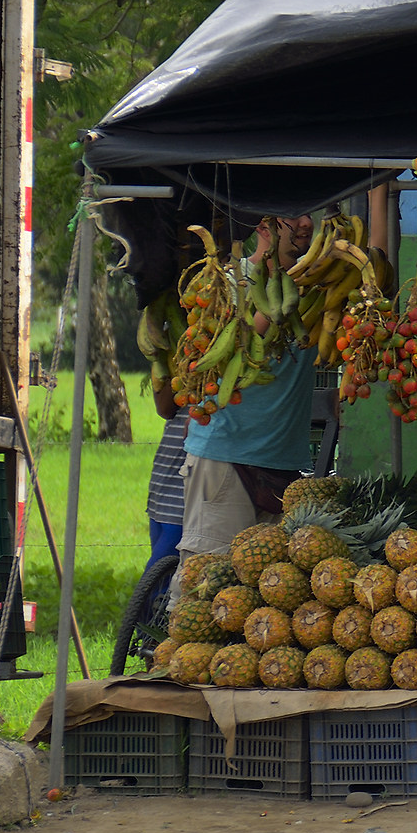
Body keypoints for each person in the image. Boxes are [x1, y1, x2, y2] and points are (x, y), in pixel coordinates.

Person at [175, 215, 321, 600]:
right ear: (263, 225)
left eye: (311, 213)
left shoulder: (320, 286)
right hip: (224, 460)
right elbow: (220, 352)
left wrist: (380, 189)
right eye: (294, 215)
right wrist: (278, 302)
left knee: (262, 602)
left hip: (283, 466)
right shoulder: (226, 282)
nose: (306, 222)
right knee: (204, 591)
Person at [145, 375, 188, 573]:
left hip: (189, 482)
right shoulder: (177, 362)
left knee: (159, 571)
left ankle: (145, 605)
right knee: (160, 573)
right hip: (166, 477)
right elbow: (164, 409)